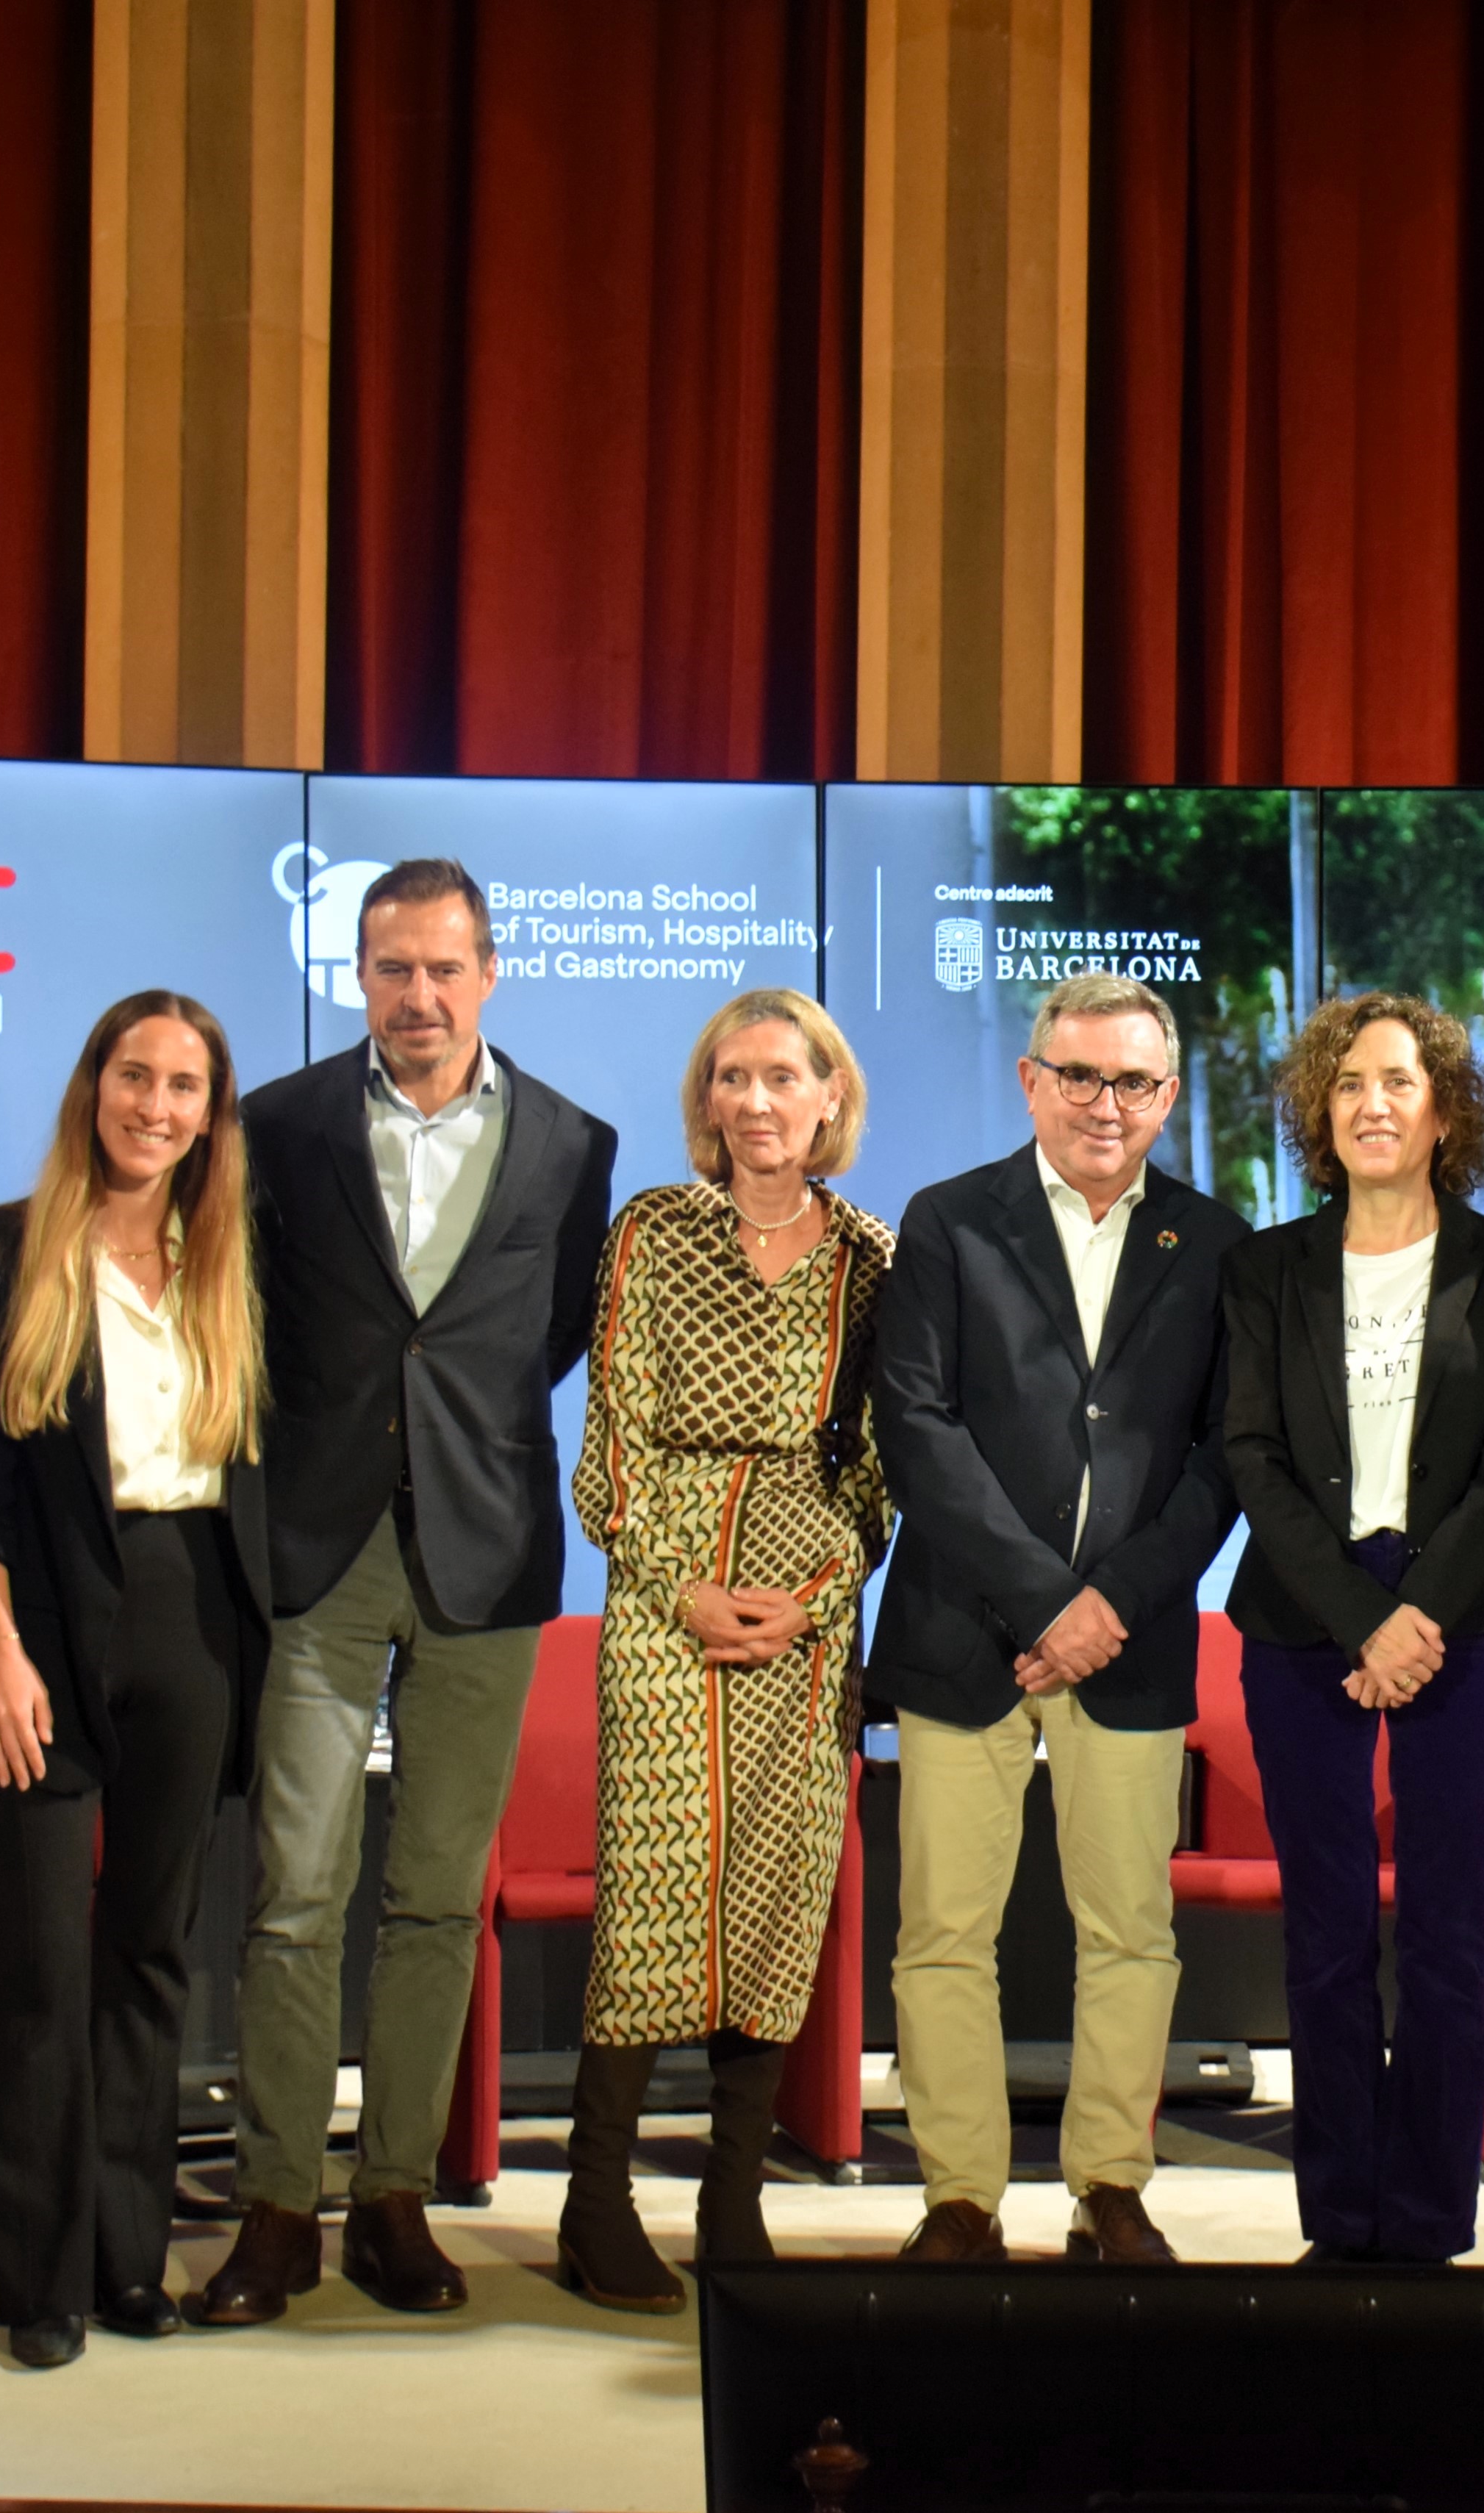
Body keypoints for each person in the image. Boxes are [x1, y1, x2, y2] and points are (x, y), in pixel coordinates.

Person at [200, 861, 620, 2326]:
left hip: (484, 1553)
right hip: (313, 1549)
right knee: (293, 1892)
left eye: (444, 968)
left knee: (439, 1893)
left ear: (489, 971)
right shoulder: (278, 1125)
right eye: (392, 968)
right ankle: (274, 2205)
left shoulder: (571, 1141)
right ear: (358, 974)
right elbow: (244, 1319)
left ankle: (390, 2197)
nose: (418, 996)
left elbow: (549, 1334)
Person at [868, 969, 1244, 2264]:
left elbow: (1221, 1458)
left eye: (1131, 1080)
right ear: (1030, 1081)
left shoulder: (1214, 1241)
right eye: (1078, 1075)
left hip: (1131, 1641)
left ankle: (1109, 2186)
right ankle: (958, 2196)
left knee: (1130, 1929)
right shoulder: (946, 1220)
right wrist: (1044, 1599)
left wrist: (1110, 1604)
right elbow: (915, 1426)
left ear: (1167, 1094)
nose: (1104, 1103)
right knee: (942, 1933)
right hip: (963, 1630)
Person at [0, 991, 276, 2368]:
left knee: (148, 1953)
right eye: (136, 1076)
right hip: (42, 1623)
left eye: (184, 1086)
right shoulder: (4, 1247)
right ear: (93, 1087)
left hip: (195, 1620)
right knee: (36, 1964)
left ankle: (130, 2258)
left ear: (210, 1114)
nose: (155, 1106)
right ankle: (39, 2281)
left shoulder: (230, 1259)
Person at [555, 989, 895, 2313]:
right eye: (731, 1077)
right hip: (665, 1599)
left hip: (809, 1606)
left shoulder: (871, 1256)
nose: (756, 1100)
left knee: (774, 1893)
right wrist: (678, 1581)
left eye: (782, 1077)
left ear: (829, 1096)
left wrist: (817, 1587)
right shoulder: (652, 1229)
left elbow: (883, 1463)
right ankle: (596, 2201)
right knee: (654, 1893)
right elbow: (612, 1440)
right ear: (706, 1100)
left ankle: (733, 2199)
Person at [1216, 992, 1484, 2266]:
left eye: (1399, 1082)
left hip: (1461, 1618)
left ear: (1444, 1111)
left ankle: (1423, 2224)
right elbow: (1250, 1454)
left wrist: (1419, 1614)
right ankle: (1339, 2216)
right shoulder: (1264, 1269)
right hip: (1305, 1616)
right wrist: (1365, 1618)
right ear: (1321, 1111)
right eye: (1349, 1082)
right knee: (1322, 1935)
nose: (1372, 1103)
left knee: (1446, 1934)